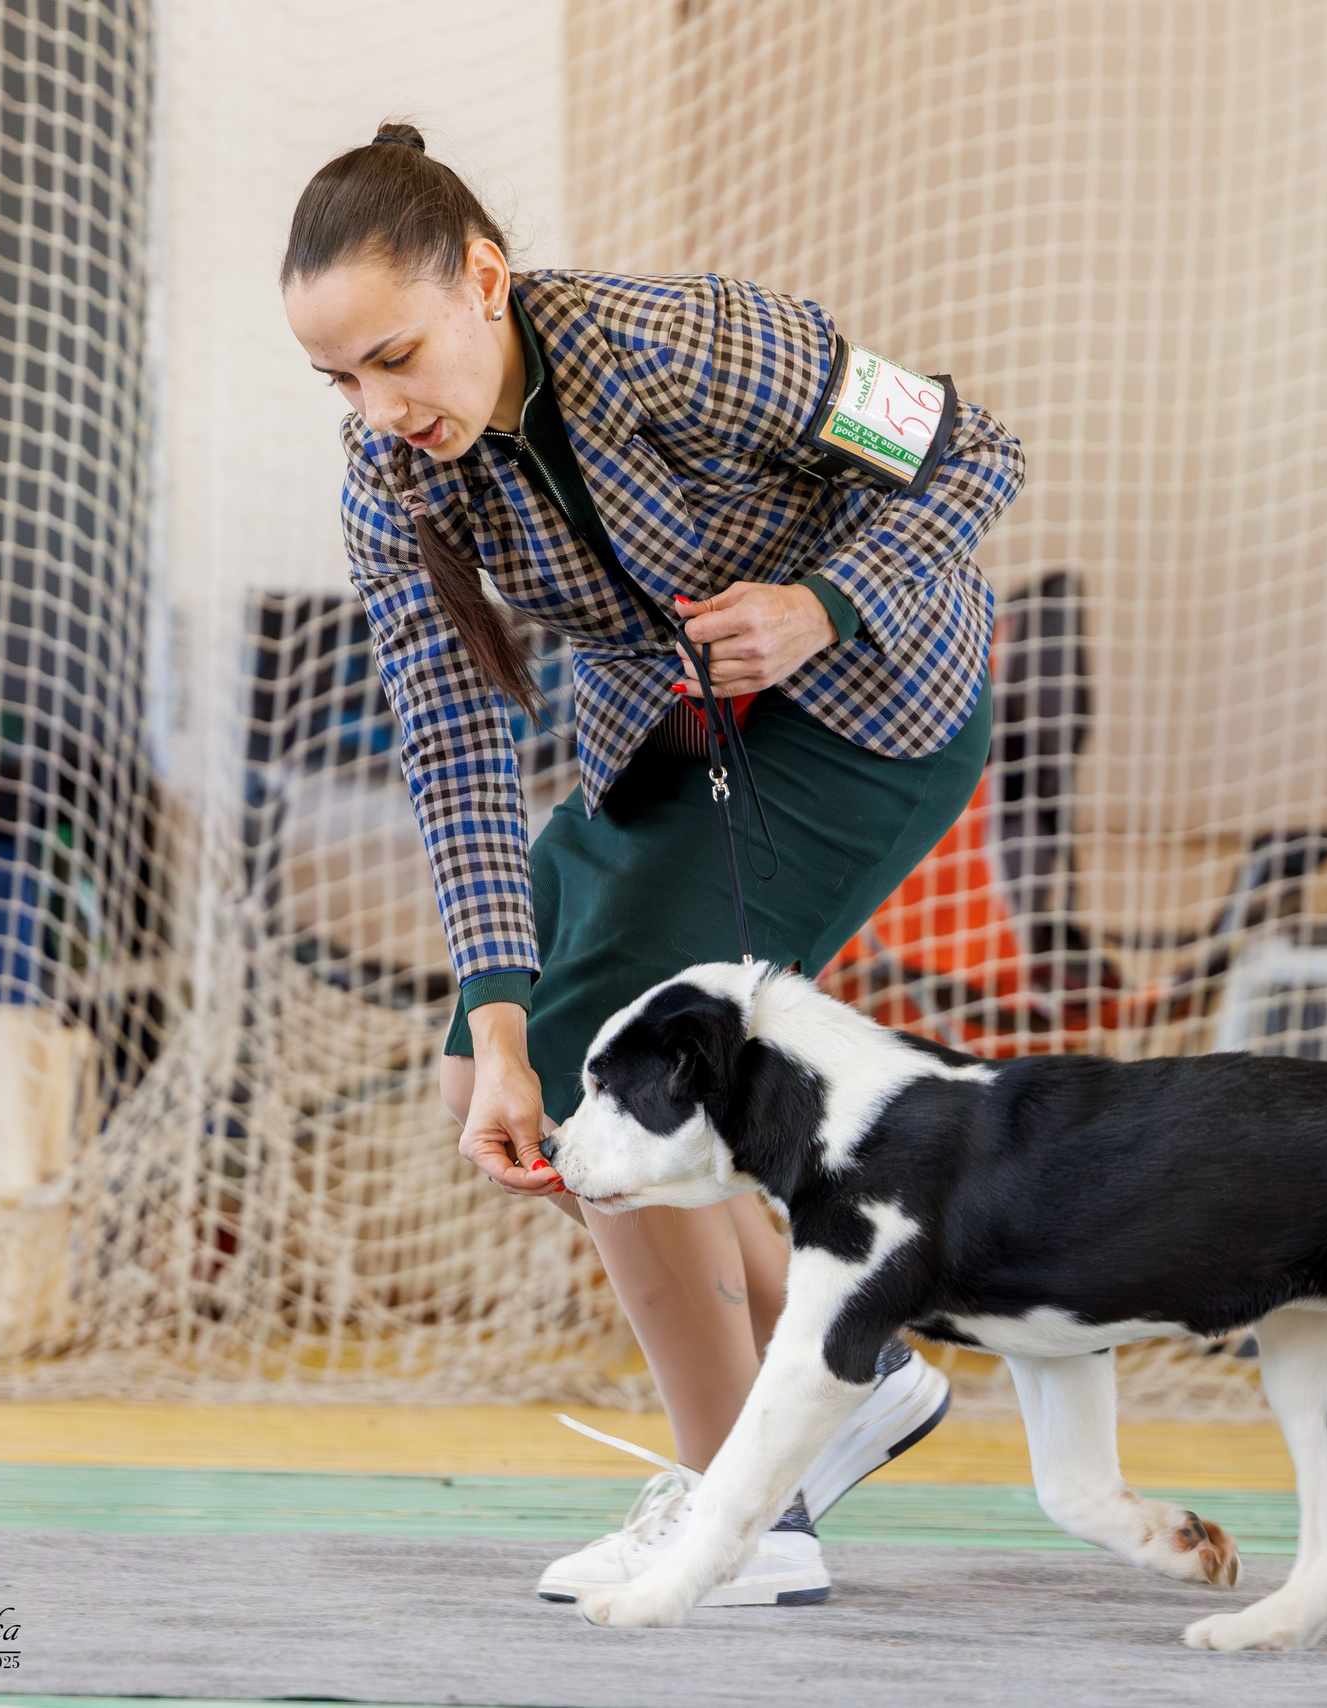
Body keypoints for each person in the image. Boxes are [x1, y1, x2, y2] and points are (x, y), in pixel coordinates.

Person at [280, 123, 1020, 1607]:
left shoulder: (687, 341)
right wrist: (493, 1016)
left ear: (485, 279)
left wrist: (823, 604)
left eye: (396, 356)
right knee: (487, 1078)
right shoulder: (394, 480)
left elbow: (974, 455)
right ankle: (846, 1386)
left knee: (598, 1078)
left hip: (867, 717)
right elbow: (454, 752)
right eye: (340, 380)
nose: (375, 410)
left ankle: (746, 1525)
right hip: (675, 734)